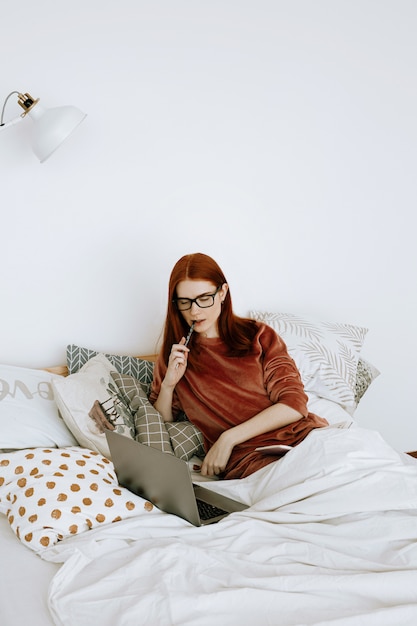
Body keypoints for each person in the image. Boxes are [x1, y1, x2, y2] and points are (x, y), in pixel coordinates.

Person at [149, 253, 328, 480]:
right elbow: (162, 424)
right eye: (184, 302)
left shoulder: (259, 335)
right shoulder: (175, 356)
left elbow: (294, 405)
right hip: (250, 462)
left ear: (222, 292)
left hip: (304, 439)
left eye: (204, 298)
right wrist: (168, 385)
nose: (194, 311)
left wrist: (228, 438)